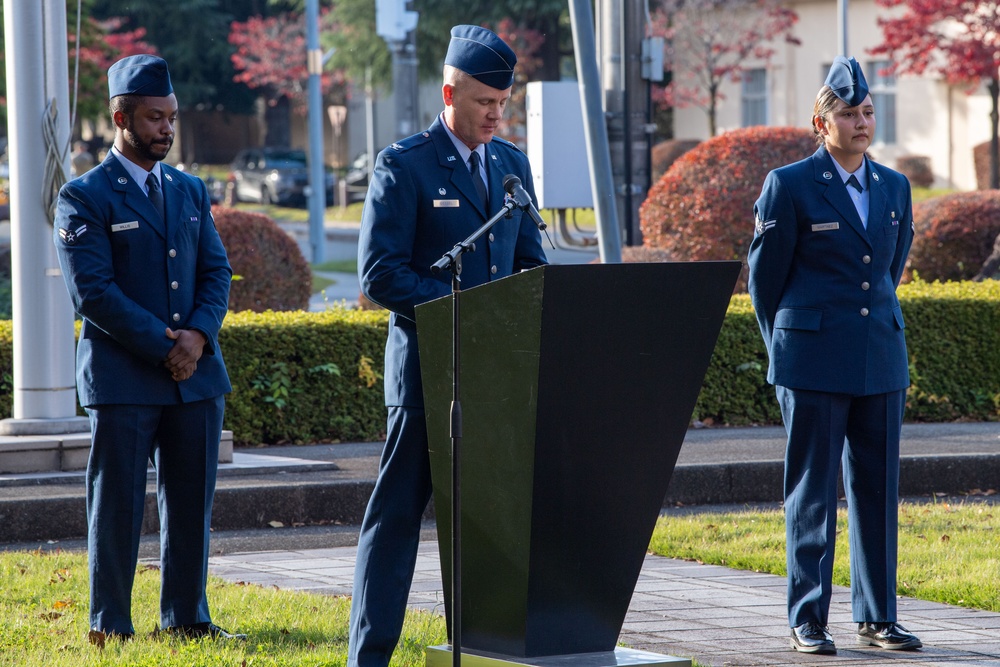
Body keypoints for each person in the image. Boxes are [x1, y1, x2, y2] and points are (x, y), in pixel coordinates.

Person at [350, 25, 548, 667]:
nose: (496, 114)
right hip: (428, 371)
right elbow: (380, 274)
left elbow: (528, 260)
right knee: (397, 520)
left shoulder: (513, 165)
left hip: (496, 378)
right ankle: (370, 653)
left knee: (493, 524)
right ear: (450, 92)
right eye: (485, 101)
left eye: (503, 102)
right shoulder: (404, 164)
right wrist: (465, 315)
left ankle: (489, 647)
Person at [53, 54, 242, 642]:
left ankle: (188, 618)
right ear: (120, 116)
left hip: (196, 379)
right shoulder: (83, 198)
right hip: (125, 377)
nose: (167, 128)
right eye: (155, 118)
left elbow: (216, 271)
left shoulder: (188, 188)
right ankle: (110, 623)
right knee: (117, 508)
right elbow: (94, 295)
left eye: (171, 116)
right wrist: (167, 346)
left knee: (191, 508)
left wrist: (200, 336)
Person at [747, 56, 920, 655]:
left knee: (878, 490)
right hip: (812, 361)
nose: (861, 122)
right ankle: (808, 618)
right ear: (821, 123)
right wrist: (784, 353)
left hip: (880, 359)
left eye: (868, 111)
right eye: (848, 113)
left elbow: (888, 272)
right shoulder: (789, 185)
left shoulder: (893, 185)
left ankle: (877, 616)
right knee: (813, 492)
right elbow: (765, 283)